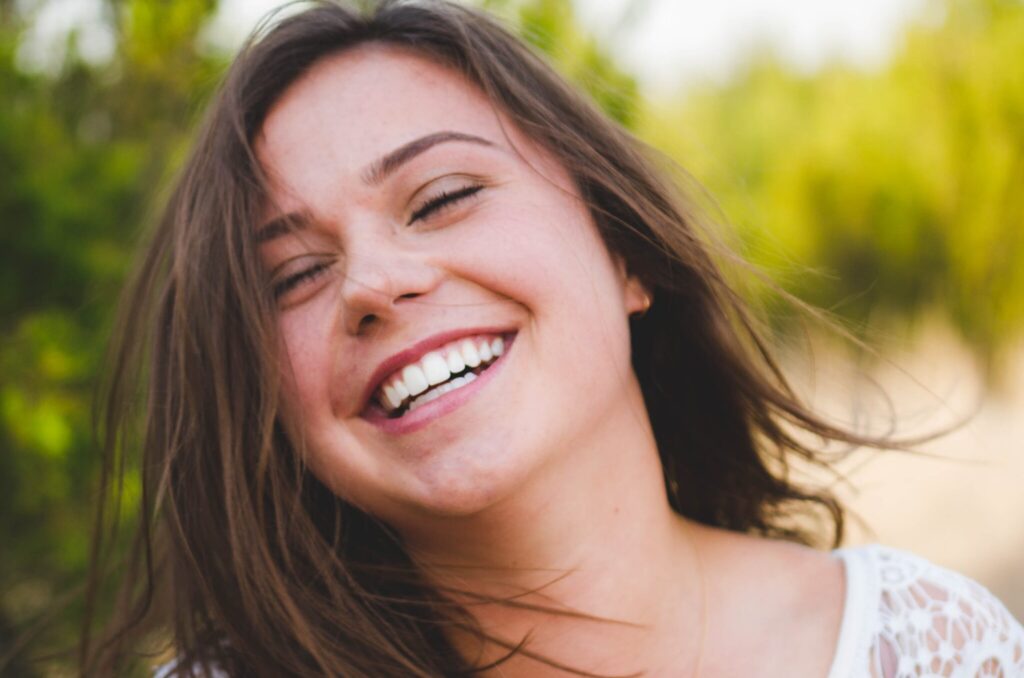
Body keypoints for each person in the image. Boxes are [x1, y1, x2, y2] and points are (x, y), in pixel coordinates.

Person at [81, 1, 1024, 676]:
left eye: (442, 197)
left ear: (626, 254)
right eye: (292, 276)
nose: (370, 283)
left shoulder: (926, 647)